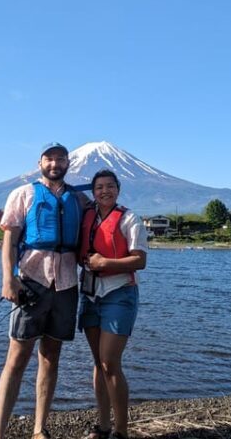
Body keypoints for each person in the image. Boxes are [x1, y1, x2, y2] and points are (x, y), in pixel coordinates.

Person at [0, 143, 88, 439]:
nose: (55, 163)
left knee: (50, 357)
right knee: (17, 358)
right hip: (31, 282)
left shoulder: (79, 199)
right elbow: (10, 241)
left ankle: (39, 429)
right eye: (49, 158)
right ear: (40, 163)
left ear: (68, 163)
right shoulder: (23, 194)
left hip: (67, 283)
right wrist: (8, 279)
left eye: (61, 158)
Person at [79, 169, 148, 439]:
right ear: (93, 192)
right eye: (99, 187)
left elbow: (140, 260)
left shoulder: (130, 218)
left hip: (119, 293)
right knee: (98, 363)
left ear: (118, 189)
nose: (104, 191)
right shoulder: (87, 216)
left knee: (110, 362)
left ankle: (121, 430)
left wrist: (105, 262)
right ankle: (103, 425)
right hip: (90, 294)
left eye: (110, 186)